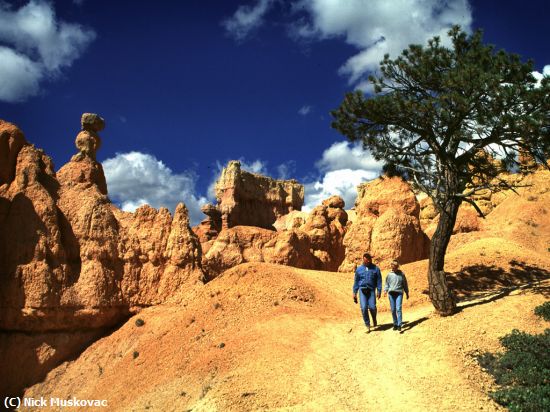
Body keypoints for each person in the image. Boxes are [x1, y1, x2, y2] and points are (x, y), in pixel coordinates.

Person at [352, 253, 382, 333]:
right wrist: (354, 292)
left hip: (371, 290)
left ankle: (374, 318)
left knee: (372, 307)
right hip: (362, 290)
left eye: (369, 260)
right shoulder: (359, 269)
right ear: (363, 260)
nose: (368, 262)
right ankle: (367, 325)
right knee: (364, 308)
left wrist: (379, 290)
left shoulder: (376, 269)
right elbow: (356, 281)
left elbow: (379, 281)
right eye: (366, 260)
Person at [383, 260, 409, 332]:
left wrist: (407, 292)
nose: (393, 268)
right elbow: (386, 284)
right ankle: (395, 323)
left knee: (398, 308)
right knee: (393, 309)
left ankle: (399, 325)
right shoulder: (389, 275)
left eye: (394, 266)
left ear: (397, 267)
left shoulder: (401, 274)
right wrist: (385, 290)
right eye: (392, 266)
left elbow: (405, 284)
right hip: (391, 293)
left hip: (399, 293)